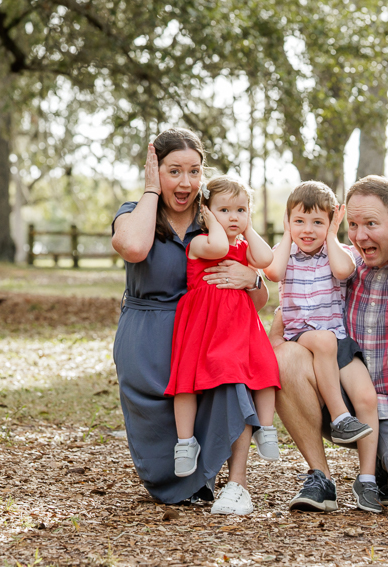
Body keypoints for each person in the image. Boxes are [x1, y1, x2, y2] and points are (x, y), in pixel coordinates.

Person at [271, 175, 388, 516]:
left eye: (371, 224)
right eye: (354, 225)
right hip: (344, 402)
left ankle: (384, 468)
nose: (360, 236)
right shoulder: (345, 264)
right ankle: (320, 478)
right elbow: (296, 305)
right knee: (287, 356)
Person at [111, 128, 268, 512]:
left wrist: (252, 279)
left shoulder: (216, 219)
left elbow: (259, 302)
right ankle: (185, 479)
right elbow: (134, 248)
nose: (185, 183)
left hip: (206, 332)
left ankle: (237, 484)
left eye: (194, 171)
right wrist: (151, 191)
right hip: (147, 335)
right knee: (169, 468)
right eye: (173, 171)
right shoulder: (135, 213)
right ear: (156, 171)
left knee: (232, 381)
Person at [263, 181, 381, 512]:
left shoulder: (338, 252)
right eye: (299, 221)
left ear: (331, 223)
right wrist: (286, 235)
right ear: (288, 221)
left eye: (318, 222)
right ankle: (340, 417)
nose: (308, 230)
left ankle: (367, 479)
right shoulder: (285, 251)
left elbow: (344, 270)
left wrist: (331, 236)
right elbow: (273, 272)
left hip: (338, 339)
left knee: (367, 398)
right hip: (301, 335)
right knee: (323, 339)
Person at [166, 176, 281, 501]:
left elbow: (265, 259)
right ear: (205, 213)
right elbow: (218, 248)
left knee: (265, 369)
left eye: (241, 210)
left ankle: (266, 428)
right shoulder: (200, 243)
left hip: (239, 328)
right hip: (203, 329)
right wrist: (211, 221)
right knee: (185, 382)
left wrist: (248, 227)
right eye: (224, 210)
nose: (234, 217)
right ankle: (185, 442)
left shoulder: (244, 247)